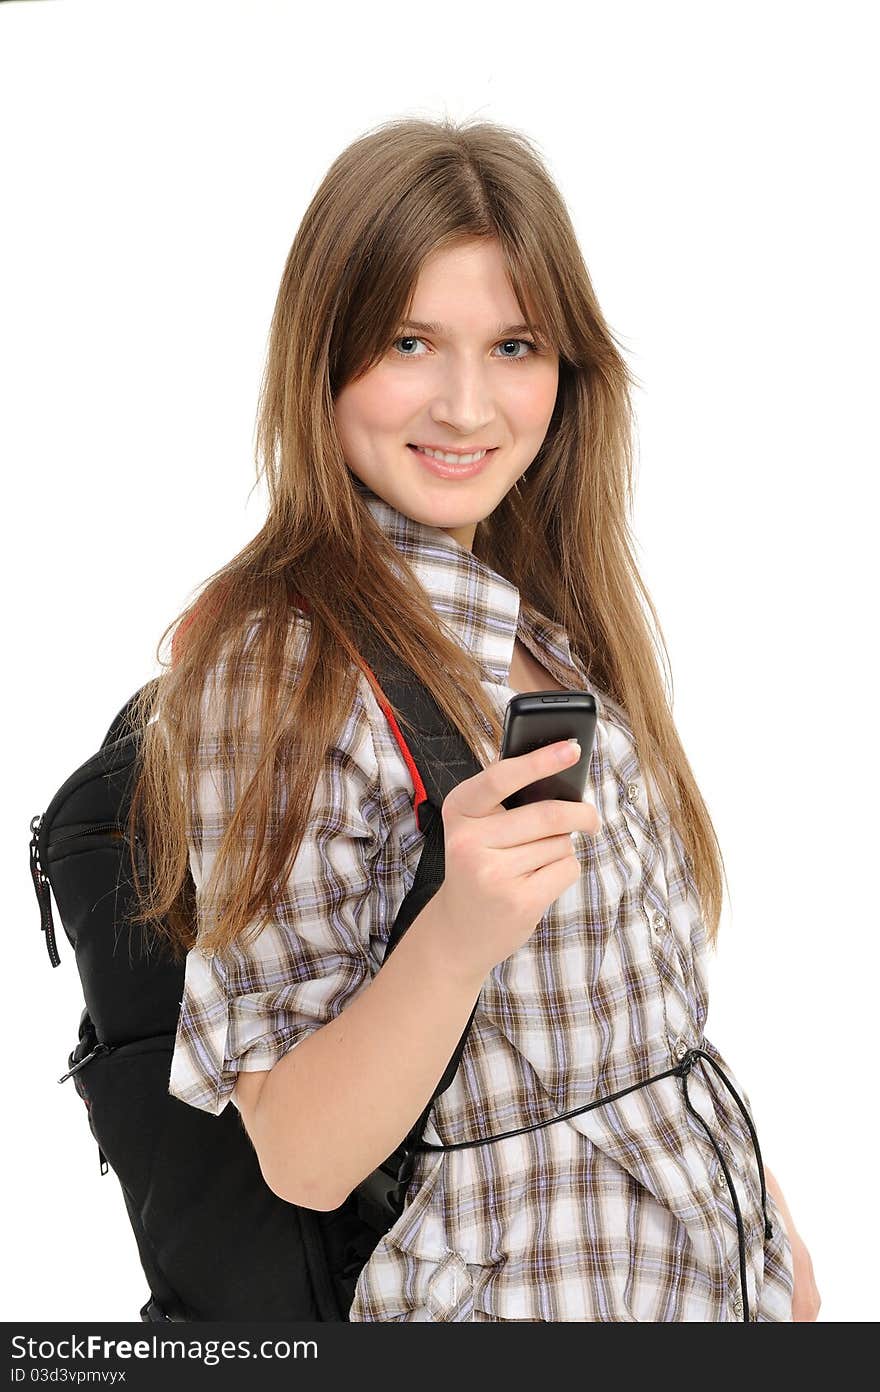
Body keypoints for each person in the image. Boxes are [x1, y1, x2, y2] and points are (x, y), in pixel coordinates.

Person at [128, 115, 820, 1322]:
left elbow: (629, 1027)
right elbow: (301, 1154)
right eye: (409, 341)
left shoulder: (538, 615)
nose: (465, 404)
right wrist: (455, 936)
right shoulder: (278, 667)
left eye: (513, 345)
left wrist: (774, 1239)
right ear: (323, 360)